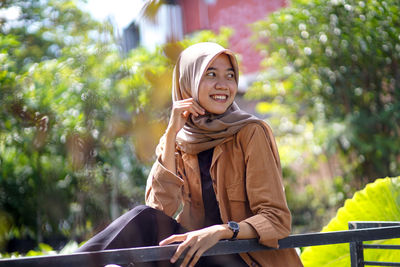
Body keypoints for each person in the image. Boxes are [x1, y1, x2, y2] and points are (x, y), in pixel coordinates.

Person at [76, 42, 303, 267]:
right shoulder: (178, 141)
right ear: (188, 82)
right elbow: (159, 212)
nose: (223, 85)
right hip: (197, 257)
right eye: (211, 74)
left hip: (246, 258)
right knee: (143, 218)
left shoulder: (250, 132)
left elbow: (276, 219)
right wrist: (171, 133)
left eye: (230, 76)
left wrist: (220, 232)